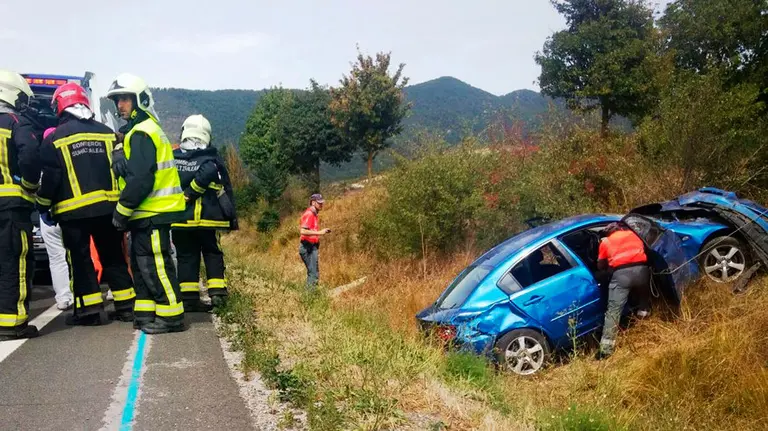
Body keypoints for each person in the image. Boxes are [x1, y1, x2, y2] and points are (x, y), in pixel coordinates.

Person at [36, 83, 136, 325]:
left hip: (73, 214)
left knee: (81, 260)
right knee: (113, 257)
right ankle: (126, 307)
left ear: (60, 105)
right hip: (108, 209)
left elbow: (51, 177)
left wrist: (42, 204)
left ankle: (90, 313)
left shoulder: (55, 138)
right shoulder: (106, 133)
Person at [107, 73, 187, 334]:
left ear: (140, 100)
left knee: (155, 265)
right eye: (118, 100)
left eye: (126, 99)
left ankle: (171, 316)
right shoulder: (140, 131)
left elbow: (141, 179)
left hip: (153, 212)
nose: (120, 105)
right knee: (142, 268)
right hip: (145, 214)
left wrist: (121, 210)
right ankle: (145, 313)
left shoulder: (142, 132)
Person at [171, 114, 237, 310]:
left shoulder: (173, 158)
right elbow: (208, 174)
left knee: (186, 256)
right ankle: (217, 295)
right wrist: (191, 193)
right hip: (207, 219)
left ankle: (189, 299)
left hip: (180, 219)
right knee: (211, 253)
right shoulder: (210, 157)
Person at [0, 70, 41, 340]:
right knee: (14, 262)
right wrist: (30, 185)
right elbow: (29, 156)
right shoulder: (16, 121)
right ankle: (13, 324)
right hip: (10, 208)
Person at [595, 222, 651, 359]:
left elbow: (600, 265)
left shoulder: (606, 242)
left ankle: (606, 350)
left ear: (608, 233)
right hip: (643, 272)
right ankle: (645, 327)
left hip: (621, 276)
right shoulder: (634, 234)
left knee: (613, 311)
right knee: (644, 301)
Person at [38, 127, 74, 311]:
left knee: (57, 259)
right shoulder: (70, 160)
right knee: (75, 254)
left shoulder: (40, 163)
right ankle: (81, 293)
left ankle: (63, 297)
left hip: (47, 218)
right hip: (68, 214)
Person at [299, 194, 331, 288]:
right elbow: (303, 231)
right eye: (319, 203)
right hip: (307, 247)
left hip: (312, 247)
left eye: (322, 203)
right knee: (313, 274)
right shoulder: (309, 214)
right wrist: (320, 233)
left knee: (313, 273)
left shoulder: (314, 214)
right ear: (313, 202)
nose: (321, 204)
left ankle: (310, 296)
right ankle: (309, 297)